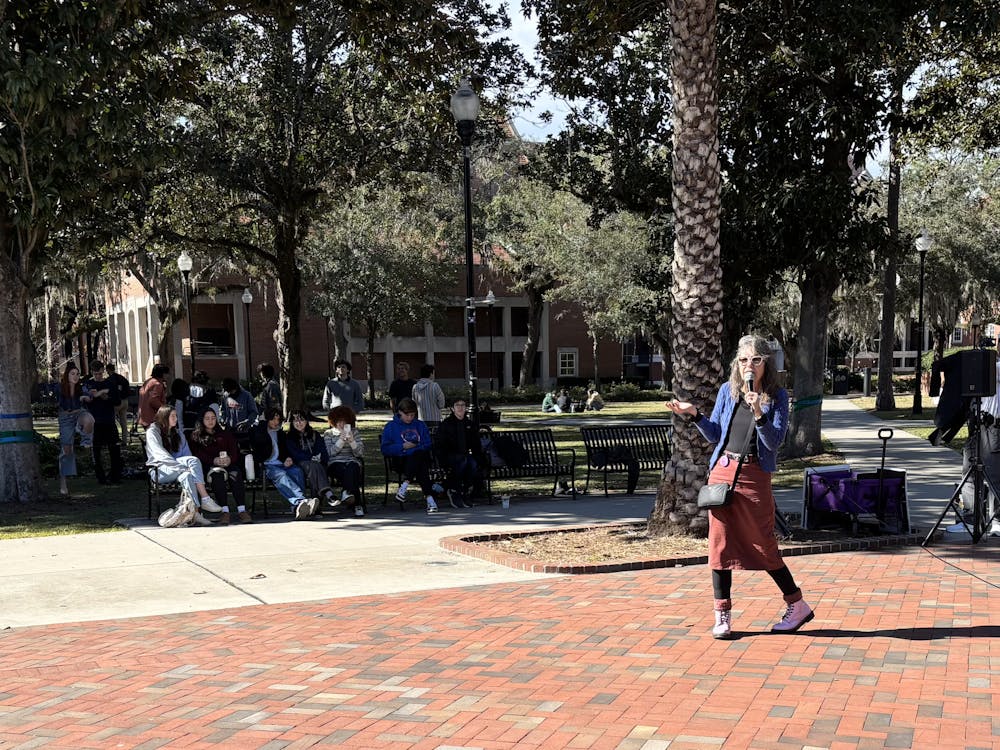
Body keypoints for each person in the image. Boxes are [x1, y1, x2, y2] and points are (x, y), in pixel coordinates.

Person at [667, 334, 813, 639]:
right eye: (744, 360)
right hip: (722, 472)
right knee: (718, 545)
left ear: (766, 364)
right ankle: (722, 614)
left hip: (754, 475)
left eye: (756, 360)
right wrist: (694, 414)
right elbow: (715, 434)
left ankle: (797, 605)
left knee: (763, 544)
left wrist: (759, 411)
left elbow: (773, 442)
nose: (749, 366)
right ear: (738, 363)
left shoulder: (778, 396)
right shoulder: (727, 391)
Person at [144, 405, 226, 525]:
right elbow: (160, 455)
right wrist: (181, 467)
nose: (176, 419)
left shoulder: (177, 434)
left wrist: (186, 469)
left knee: (187, 475)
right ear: (164, 417)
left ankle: (195, 513)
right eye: (173, 416)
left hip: (179, 470)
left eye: (176, 416)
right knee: (192, 462)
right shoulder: (153, 431)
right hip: (159, 471)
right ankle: (205, 499)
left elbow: (187, 455)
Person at [248, 407, 318, 519]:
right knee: (281, 475)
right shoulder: (257, 431)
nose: (276, 422)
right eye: (273, 419)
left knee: (297, 471)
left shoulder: (279, 433)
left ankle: (296, 507)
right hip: (266, 466)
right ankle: (301, 501)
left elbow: (284, 450)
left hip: (280, 463)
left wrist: (287, 458)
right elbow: (257, 442)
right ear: (267, 419)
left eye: (278, 419)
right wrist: (262, 423)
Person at [189, 406, 253, 524]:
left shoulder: (224, 434)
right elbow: (197, 455)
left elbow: (234, 451)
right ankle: (225, 511)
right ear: (201, 420)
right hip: (209, 466)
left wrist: (229, 459)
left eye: (213, 418)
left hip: (228, 464)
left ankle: (242, 510)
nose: (211, 421)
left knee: (236, 474)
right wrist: (214, 461)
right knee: (217, 476)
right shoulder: (196, 436)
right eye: (207, 418)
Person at [380, 397, 438, 513]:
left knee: (419, 456)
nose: (410, 418)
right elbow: (385, 449)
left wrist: (415, 447)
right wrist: (402, 447)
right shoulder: (391, 427)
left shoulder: (420, 425)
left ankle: (405, 486)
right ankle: (429, 498)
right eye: (407, 415)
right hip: (401, 459)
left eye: (412, 415)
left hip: (418, 458)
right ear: (400, 412)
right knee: (421, 464)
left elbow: (427, 444)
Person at [57, 361, 95, 497]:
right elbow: (63, 404)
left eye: (78, 374)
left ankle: (85, 441)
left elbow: (89, 397)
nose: (76, 376)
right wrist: (80, 397)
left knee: (90, 419)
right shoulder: (60, 388)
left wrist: (89, 395)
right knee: (67, 451)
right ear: (67, 375)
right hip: (66, 418)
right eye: (73, 374)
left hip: (79, 414)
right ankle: (63, 484)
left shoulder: (81, 387)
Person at [82, 360, 123, 486]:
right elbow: (85, 400)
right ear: (92, 372)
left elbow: (117, 402)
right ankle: (101, 477)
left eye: (100, 374)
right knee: (96, 450)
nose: (98, 377)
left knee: (114, 449)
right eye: (96, 374)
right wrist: (95, 396)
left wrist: (107, 398)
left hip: (108, 420)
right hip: (95, 421)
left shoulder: (110, 383)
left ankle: (115, 476)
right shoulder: (88, 384)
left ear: (103, 371)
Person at [435, 398, 481, 508]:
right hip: (449, 456)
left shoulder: (469, 423)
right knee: (462, 462)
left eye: (463, 405)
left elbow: (475, 443)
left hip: (464, 455)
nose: (460, 407)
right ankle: (454, 490)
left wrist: (478, 456)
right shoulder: (446, 424)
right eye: (457, 405)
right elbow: (440, 444)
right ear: (452, 408)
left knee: (472, 463)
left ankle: (465, 492)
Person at [286, 408, 337, 507]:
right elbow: (295, 454)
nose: (299, 423)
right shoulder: (290, 437)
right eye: (296, 420)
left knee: (316, 469)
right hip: (301, 463)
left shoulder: (314, 434)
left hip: (316, 463)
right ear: (292, 423)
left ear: (306, 421)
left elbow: (322, 449)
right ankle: (329, 494)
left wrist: (320, 458)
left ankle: (316, 507)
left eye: (301, 420)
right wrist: (311, 457)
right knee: (314, 467)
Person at [324, 405, 366, 516]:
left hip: (352, 461)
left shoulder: (354, 432)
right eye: (338, 422)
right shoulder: (329, 434)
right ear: (333, 421)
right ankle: (356, 504)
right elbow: (330, 453)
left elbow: (360, 453)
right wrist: (341, 441)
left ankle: (347, 493)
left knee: (352, 467)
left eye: (344, 422)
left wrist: (352, 441)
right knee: (346, 469)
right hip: (335, 463)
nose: (341, 425)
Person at [105, 363, 131, 443]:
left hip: (116, 402)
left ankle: (113, 439)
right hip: (125, 401)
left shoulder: (110, 379)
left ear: (108, 370)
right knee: (124, 422)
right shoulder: (122, 378)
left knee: (111, 421)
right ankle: (124, 440)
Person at [138, 363, 170, 429]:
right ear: (162, 374)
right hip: (152, 417)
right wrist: (164, 410)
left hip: (144, 416)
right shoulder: (157, 384)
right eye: (166, 373)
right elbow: (153, 400)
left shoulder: (148, 382)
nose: (168, 375)